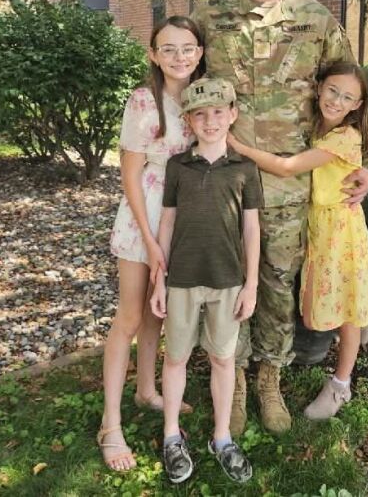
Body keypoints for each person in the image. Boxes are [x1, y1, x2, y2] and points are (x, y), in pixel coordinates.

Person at [192, 0, 368, 434]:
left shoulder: (317, 19)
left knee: (277, 285)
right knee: (228, 285)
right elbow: (179, 85)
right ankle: (229, 382)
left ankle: (268, 381)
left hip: (287, 189)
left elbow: (353, 93)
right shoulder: (211, 17)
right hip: (223, 181)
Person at [228, 61, 368, 419]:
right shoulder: (318, 127)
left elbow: (288, 167)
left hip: (340, 233)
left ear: (358, 105)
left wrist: (235, 145)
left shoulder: (345, 136)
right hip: (319, 228)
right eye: (333, 91)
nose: (337, 101)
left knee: (348, 310)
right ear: (319, 87)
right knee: (331, 303)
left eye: (348, 98)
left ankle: (341, 385)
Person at [97, 16, 204, 471]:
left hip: (185, 219)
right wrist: (148, 237)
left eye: (188, 47)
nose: (180, 57)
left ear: (199, 51)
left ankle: (146, 390)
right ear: (153, 55)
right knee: (130, 315)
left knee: (156, 315)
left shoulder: (205, 96)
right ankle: (110, 423)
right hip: (146, 217)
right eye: (169, 48)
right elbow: (130, 176)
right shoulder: (144, 100)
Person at [149, 77, 262, 484]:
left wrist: (251, 284)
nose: (210, 121)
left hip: (228, 279)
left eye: (218, 112)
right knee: (176, 357)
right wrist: (158, 278)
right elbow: (167, 220)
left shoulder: (244, 169)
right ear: (190, 120)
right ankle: (171, 435)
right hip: (181, 278)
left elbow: (252, 229)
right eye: (200, 114)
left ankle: (222, 437)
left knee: (222, 359)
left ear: (232, 115)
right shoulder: (178, 166)